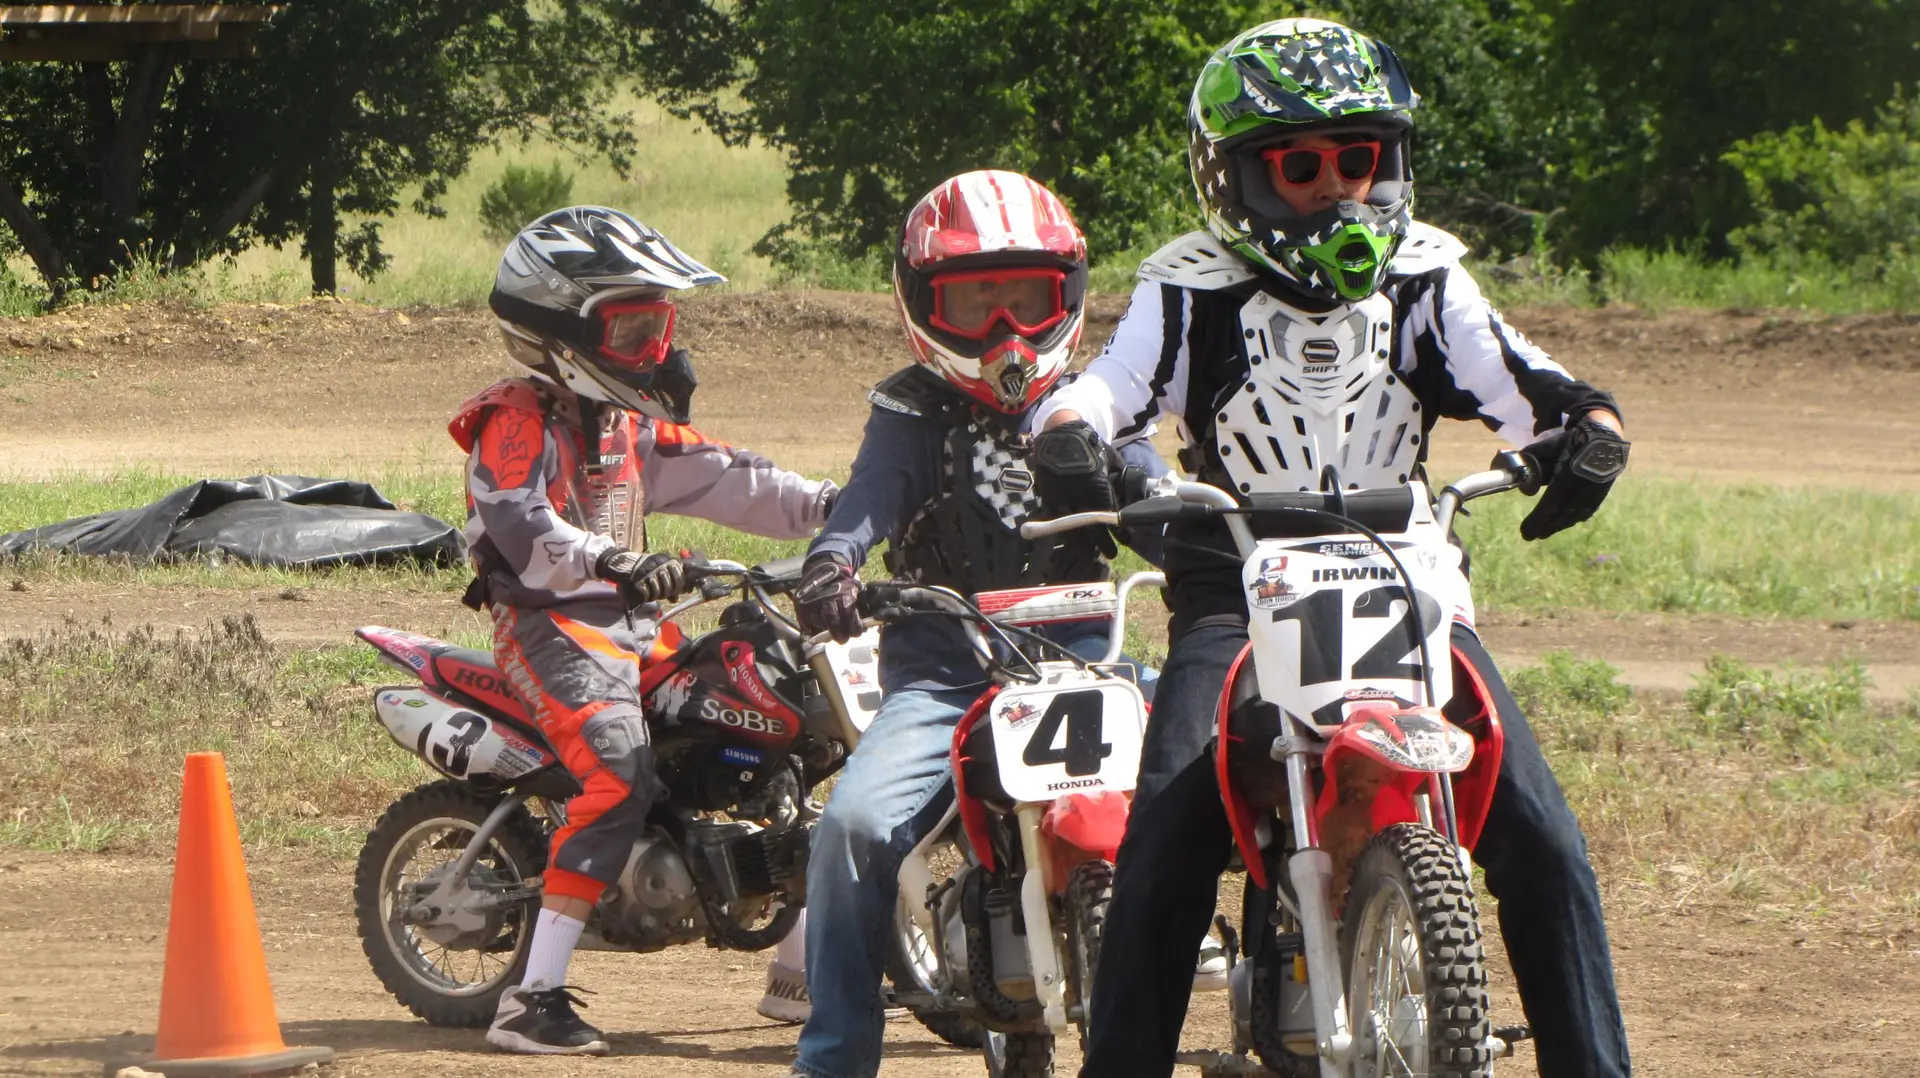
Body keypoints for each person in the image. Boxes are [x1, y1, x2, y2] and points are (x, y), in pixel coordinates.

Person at [1030, 19, 1634, 1078]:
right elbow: (1099, 392)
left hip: (1406, 575)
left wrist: (1590, 435)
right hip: (1233, 580)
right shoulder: (1187, 287)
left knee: (1542, 841)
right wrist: (1076, 441)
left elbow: (1531, 386)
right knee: (1167, 838)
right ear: (1233, 177)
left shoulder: (1427, 279)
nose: (1336, 191)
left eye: (1360, 161)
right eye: (1300, 166)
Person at [776, 169, 1226, 1078]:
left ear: (1066, 294)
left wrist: (1203, 542)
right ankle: (832, 1058)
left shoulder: (1095, 407)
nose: (1006, 330)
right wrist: (835, 561)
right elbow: (867, 501)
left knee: (1238, 770)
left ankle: (1291, 994)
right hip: (947, 681)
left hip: (1088, 669)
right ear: (921, 303)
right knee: (854, 827)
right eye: (975, 301)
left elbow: (1153, 491)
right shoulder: (908, 413)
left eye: (1025, 297)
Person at [451, 206, 838, 1055]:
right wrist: (615, 561)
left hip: (636, 627)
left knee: (787, 726)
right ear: (558, 329)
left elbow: (732, 480)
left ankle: (799, 969)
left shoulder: (628, 426)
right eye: (632, 327)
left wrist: (833, 508)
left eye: (658, 325)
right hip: (551, 630)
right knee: (620, 773)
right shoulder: (512, 422)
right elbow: (522, 524)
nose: (654, 349)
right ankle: (531, 998)